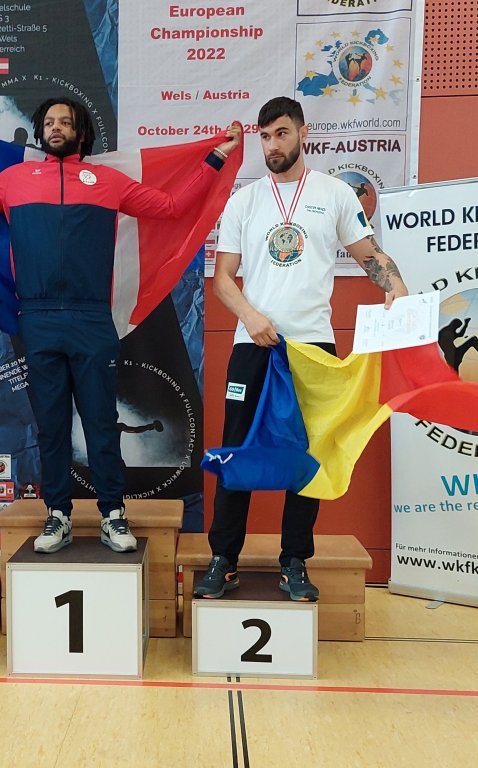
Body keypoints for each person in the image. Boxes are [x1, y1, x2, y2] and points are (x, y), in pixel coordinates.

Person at [0, 99, 241, 554]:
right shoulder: (14, 179)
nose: (56, 128)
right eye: (49, 122)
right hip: (38, 317)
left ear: (81, 133)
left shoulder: (108, 181)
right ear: (41, 133)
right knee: (51, 426)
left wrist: (216, 157)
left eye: (65, 122)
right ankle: (58, 515)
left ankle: (113, 514)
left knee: (101, 423)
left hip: (91, 318)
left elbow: (171, 205)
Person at [195, 96, 408, 602]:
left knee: (305, 456)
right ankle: (223, 559)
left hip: (312, 346)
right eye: (266, 136)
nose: (273, 145)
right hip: (253, 343)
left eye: (282, 133)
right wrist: (250, 317)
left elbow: (370, 255)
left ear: (302, 132)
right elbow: (223, 279)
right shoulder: (244, 201)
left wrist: (395, 285)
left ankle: (294, 560)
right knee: (239, 449)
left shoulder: (335, 194)